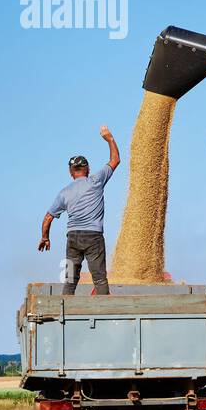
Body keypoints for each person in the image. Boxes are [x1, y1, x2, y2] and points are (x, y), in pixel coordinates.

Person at [39, 126, 121, 295]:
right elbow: (115, 160)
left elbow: (48, 217)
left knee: (70, 279)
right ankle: (104, 313)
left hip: (73, 239)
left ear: (71, 173)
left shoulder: (64, 193)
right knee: (99, 278)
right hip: (94, 238)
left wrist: (45, 237)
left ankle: (66, 311)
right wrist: (110, 139)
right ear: (88, 169)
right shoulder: (96, 181)